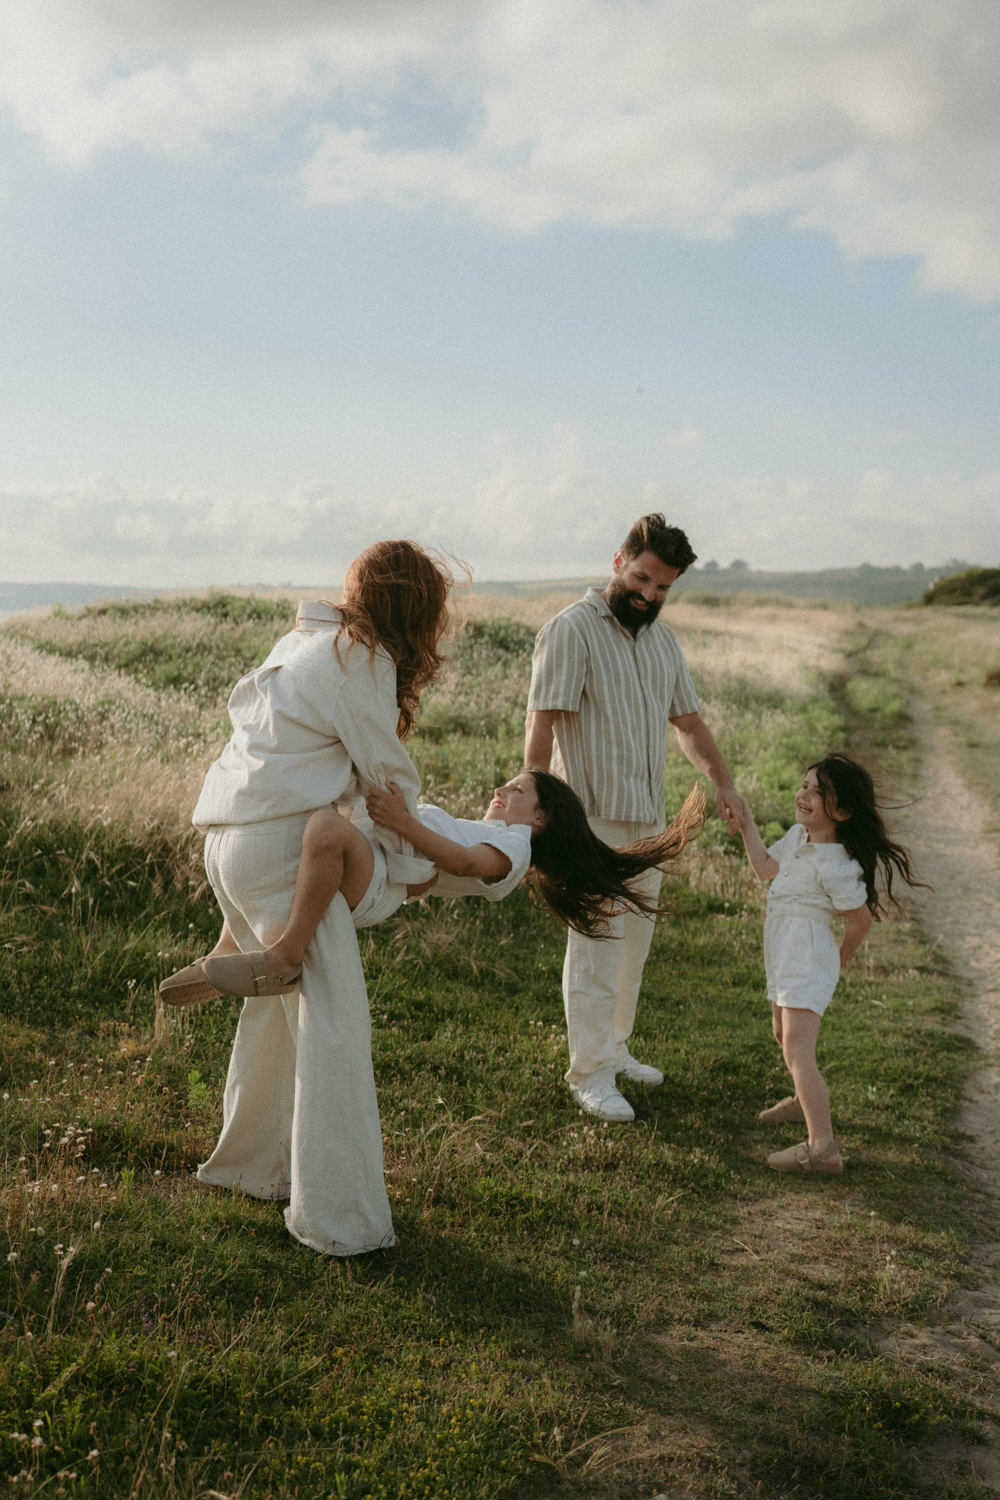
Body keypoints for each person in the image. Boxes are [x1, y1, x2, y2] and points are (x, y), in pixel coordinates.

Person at [184, 539, 451, 1258]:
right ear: (415, 609)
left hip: (226, 845)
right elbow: (386, 775)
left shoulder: (301, 640)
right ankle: (340, 1219)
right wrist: (410, 863)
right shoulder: (361, 658)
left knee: (275, 1017)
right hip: (279, 849)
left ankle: (253, 1168)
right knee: (334, 1030)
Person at [524, 513, 746, 1122]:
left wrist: (724, 783)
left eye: (663, 587)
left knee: (632, 951)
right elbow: (542, 723)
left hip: (649, 822)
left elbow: (689, 723)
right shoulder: (570, 629)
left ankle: (615, 1050)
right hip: (588, 820)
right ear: (618, 561)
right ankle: (590, 1074)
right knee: (596, 949)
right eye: (642, 579)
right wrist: (532, 810)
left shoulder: (662, 641)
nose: (649, 595)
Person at [161, 772, 706, 1001]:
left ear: (539, 818)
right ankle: (226, 952)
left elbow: (466, 864)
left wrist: (403, 821)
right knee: (289, 848)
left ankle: (286, 955)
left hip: (380, 883)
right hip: (379, 867)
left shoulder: (514, 846)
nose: (501, 790)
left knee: (325, 829)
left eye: (517, 790)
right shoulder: (490, 828)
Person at [737, 752, 924, 1174]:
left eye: (818, 792)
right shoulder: (797, 838)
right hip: (783, 953)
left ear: (841, 811)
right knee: (782, 1034)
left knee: (798, 1051)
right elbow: (764, 868)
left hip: (808, 958)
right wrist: (747, 822)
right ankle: (802, 1101)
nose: (804, 794)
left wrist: (837, 961)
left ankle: (823, 1149)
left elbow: (861, 920)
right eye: (805, 785)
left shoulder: (836, 865)